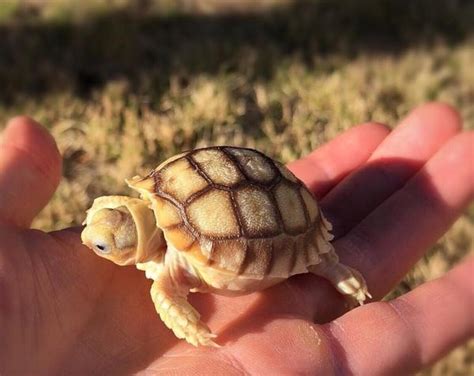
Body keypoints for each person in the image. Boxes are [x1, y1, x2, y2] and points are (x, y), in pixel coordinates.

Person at [0, 102, 472, 375]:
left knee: (316, 260)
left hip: (274, 216)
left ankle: (330, 265)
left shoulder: (167, 277)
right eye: (100, 231)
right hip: (249, 185)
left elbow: (170, 301)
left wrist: (194, 331)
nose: (89, 241)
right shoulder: (154, 195)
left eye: (103, 245)